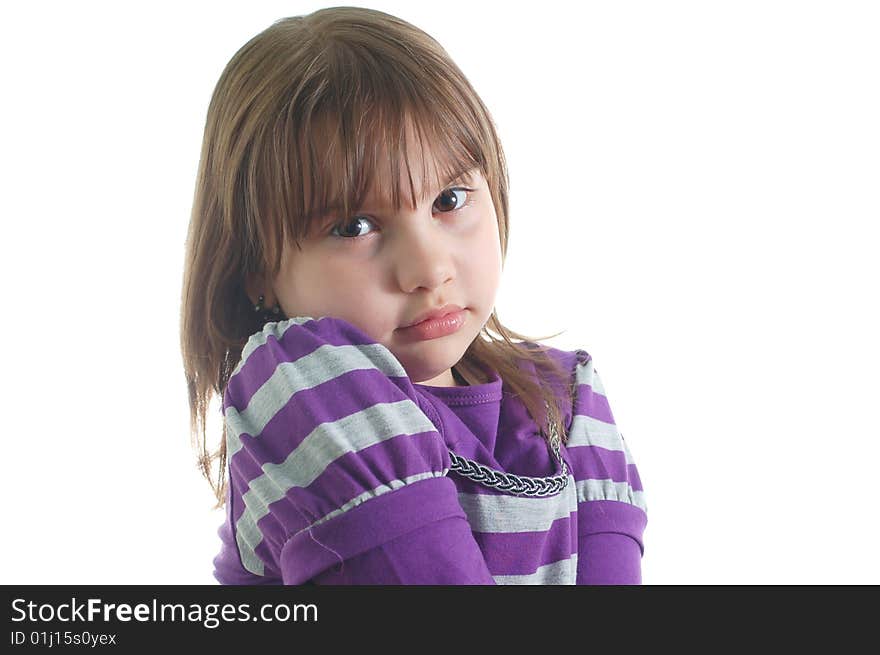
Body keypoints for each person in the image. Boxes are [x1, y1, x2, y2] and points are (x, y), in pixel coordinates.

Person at [180, 6, 647, 585]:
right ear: (257, 270)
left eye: (449, 200)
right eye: (354, 226)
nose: (428, 269)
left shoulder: (566, 404)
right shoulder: (303, 393)